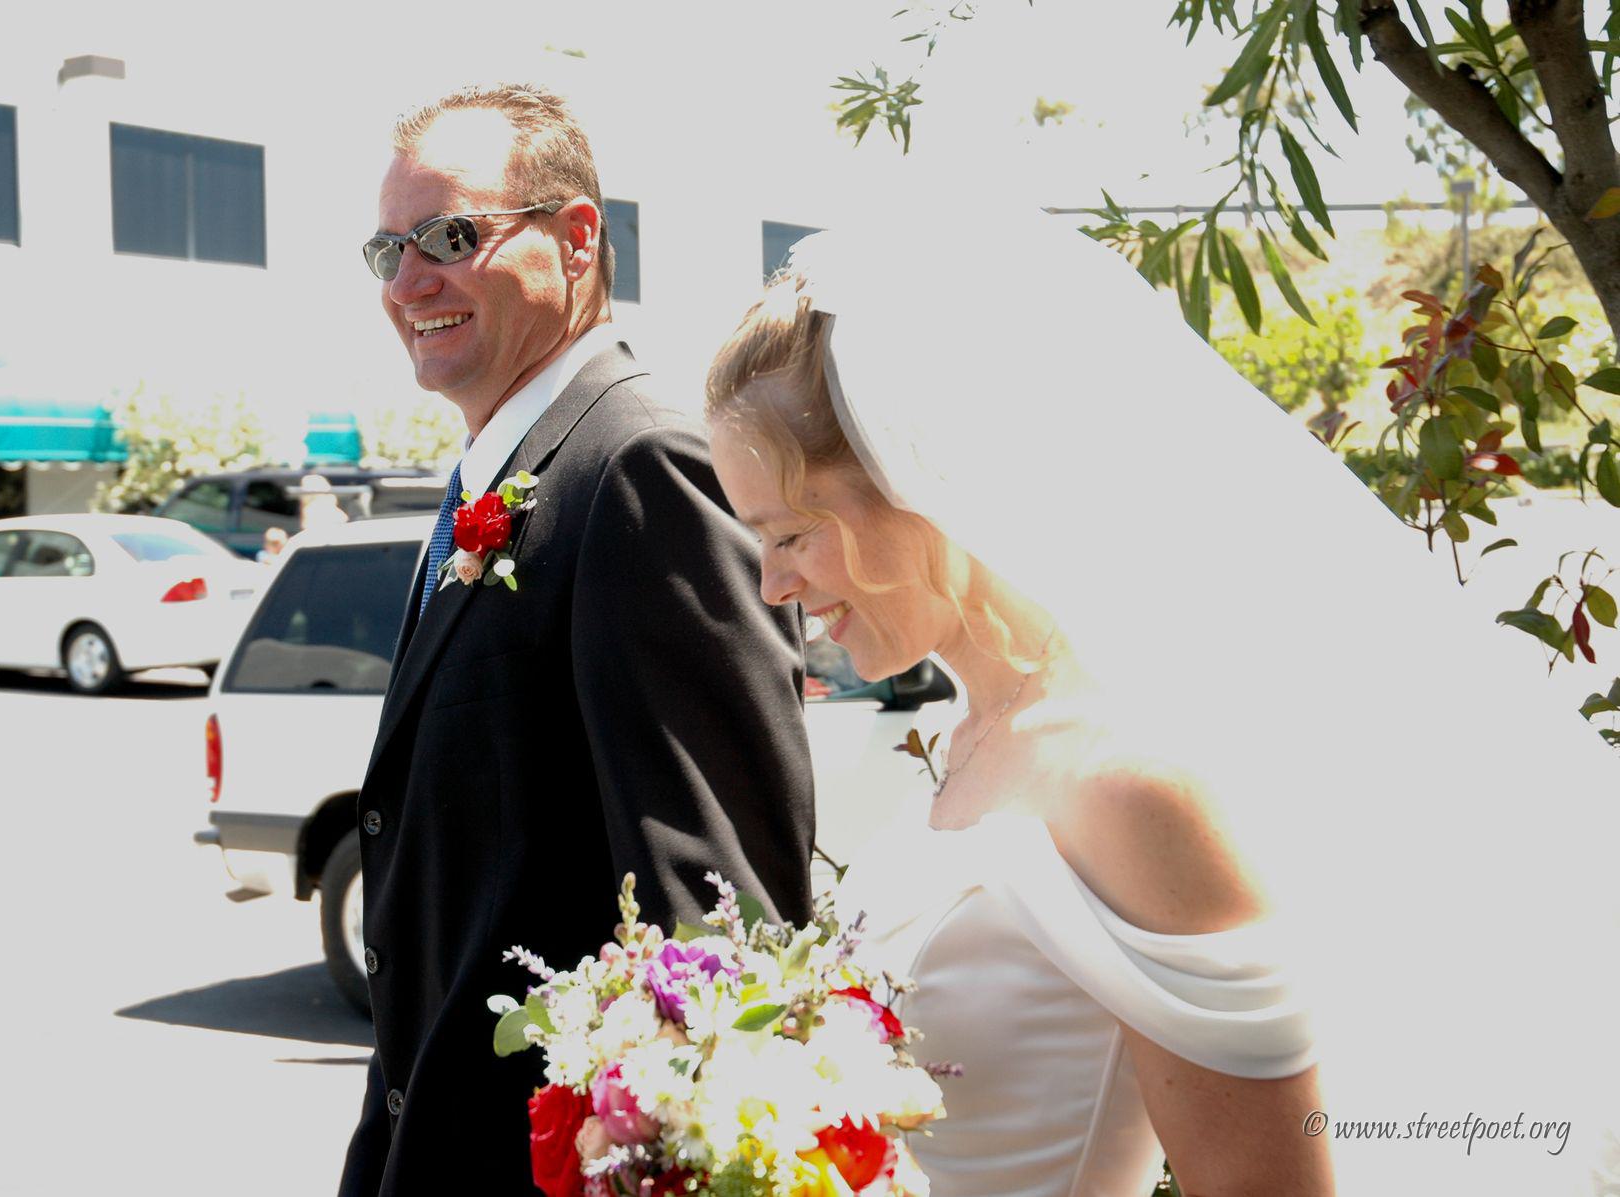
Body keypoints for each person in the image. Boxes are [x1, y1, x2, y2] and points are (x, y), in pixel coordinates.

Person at [704, 216, 1620, 1195]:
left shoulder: (1126, 785)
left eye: (791, 532)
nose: (772, 585)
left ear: (914, 476)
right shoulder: (967, 742)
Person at [336, 84, 815, 1195]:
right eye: (389, 251)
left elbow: (719, 912)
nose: (408, 282)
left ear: (578, 237)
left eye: (450, 237)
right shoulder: (493, 479)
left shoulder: (643, 468)